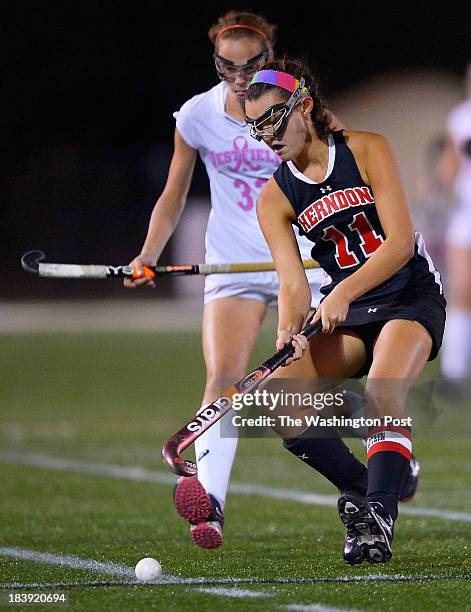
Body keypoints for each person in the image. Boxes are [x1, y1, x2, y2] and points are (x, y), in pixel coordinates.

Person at [124, 11, 328, 549]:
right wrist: (148, 254)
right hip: (234, 262)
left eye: (252, 66)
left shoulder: (296, 106)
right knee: (222, 380)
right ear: (216, 62)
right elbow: (174, 192)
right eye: (227, 66)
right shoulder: (196, 115)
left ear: (271, 58)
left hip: (303, 264)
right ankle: (210, 504)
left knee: (316, 389)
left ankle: (389, 454)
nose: (239, 78)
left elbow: (335, 169)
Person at [245, 59, 445, 564]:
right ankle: (372, 487)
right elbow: (291, 283)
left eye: (272, 119)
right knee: (281, 401)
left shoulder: (368, 148)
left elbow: (399, 243)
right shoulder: (273, 197)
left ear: (304, 106)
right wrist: (289, 329)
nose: (266, 135)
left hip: (408, 296)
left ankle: (378, 516)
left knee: (381, 391)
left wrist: (339, 293)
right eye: (255, 127)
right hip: (351, 311)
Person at [436, 61, 471, 397]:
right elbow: (451, 161)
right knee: (461, 291)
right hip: (466, 214)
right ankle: (454, 370)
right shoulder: (461, 116)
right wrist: (436, 185)